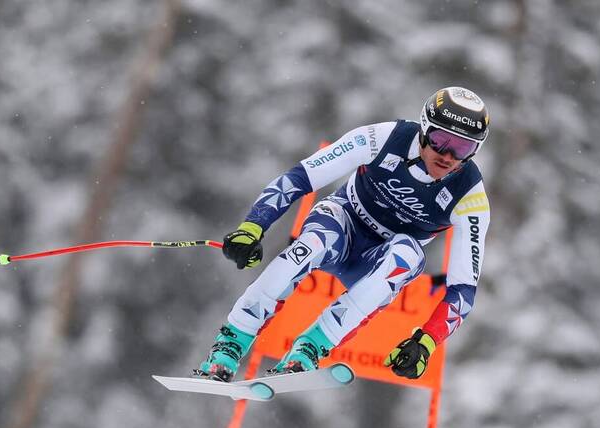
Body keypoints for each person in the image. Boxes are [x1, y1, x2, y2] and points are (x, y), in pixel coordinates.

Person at [197, 86, 491, 382]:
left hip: (379, 260)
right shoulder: (385, 137)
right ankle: (231, 342)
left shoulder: (470, 196)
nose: (448, 156)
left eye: (463, 148)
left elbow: (463, 290)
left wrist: (427, 341)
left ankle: (310, 349)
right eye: (441, 141)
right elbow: (301, 177)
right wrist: (253, 227)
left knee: (407, 255)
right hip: (342, 224)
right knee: (311, 244)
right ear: (424, 131)